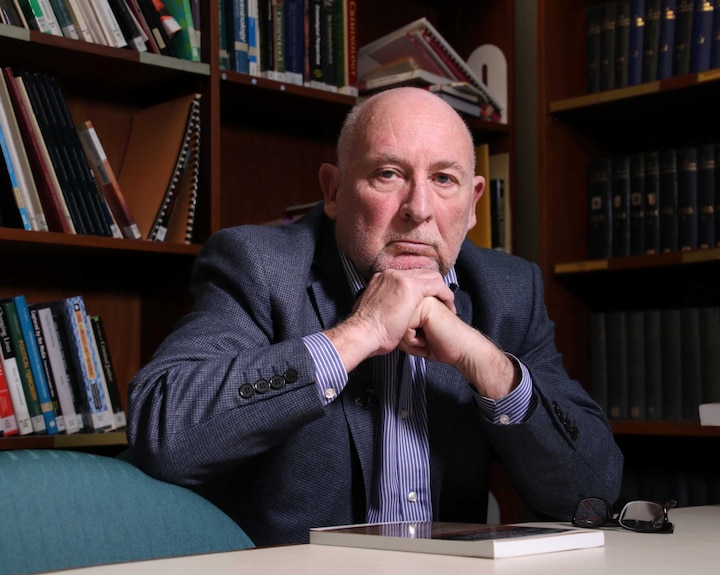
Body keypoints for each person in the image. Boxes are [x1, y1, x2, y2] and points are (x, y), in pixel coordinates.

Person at [127, 86, 623, 546]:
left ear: (472, 205)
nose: (419, 209)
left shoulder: (507, 291)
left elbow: (591, 495)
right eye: (389, 173)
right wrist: (358, 334)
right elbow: (163, 434)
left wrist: (486, 365)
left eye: (443, 179)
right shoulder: (258, 266)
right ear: (335, 191)